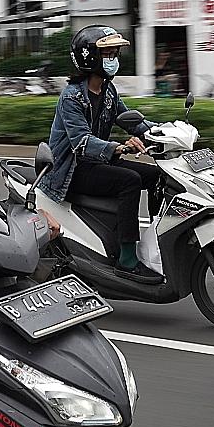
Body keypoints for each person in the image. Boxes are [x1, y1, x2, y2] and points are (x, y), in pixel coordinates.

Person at [41, 25, 161, 280]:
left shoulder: (107, 91)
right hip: (71, 171)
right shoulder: (71, 98)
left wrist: (165, 132)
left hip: (95, 163)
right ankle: (128, 259)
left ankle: (157, 239)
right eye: (108, 53)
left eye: (115, 53)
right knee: (130, 181)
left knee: (157, 176)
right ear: (89, 57)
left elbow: (131, 121)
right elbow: (82, 142)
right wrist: (119, 147)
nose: (114, 59)